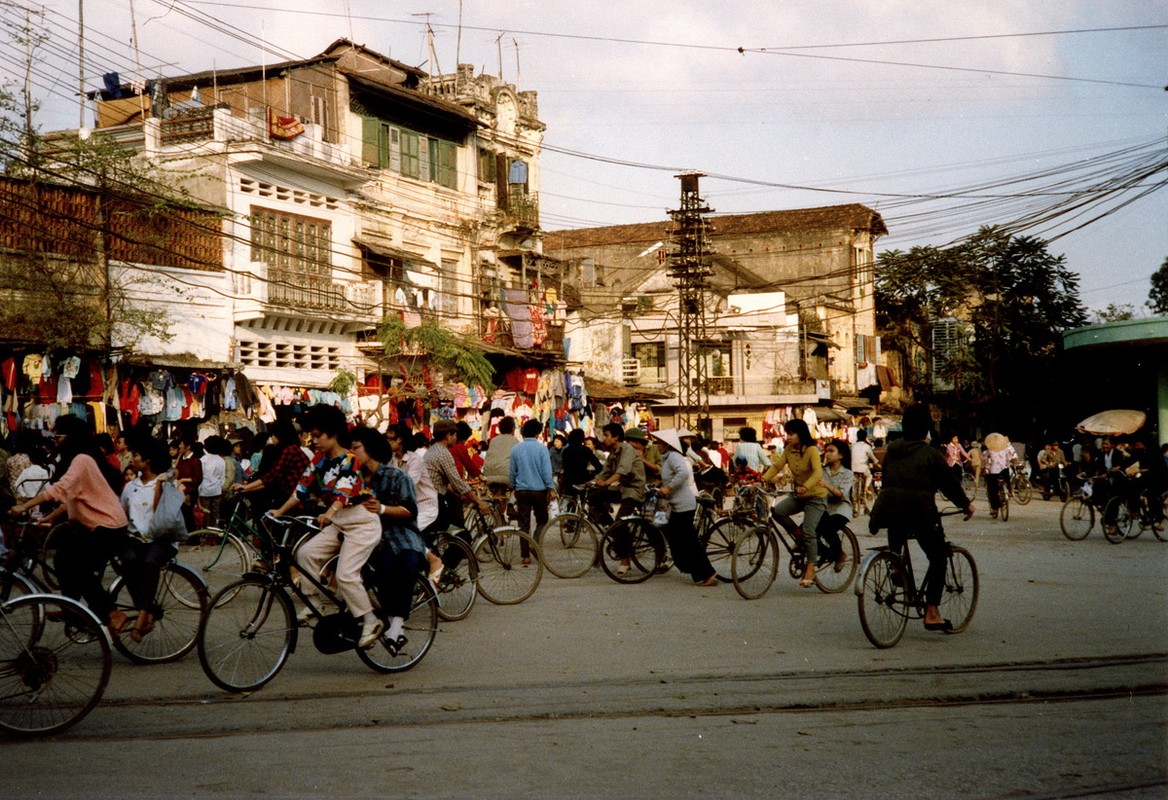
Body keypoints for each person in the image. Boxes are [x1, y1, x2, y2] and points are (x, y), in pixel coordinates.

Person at [269, 405, 385, 650]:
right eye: (312, 436)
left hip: (362, 523)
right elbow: (301, 489)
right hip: (339, 523)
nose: (314, 441)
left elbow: (343, 493)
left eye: (319, 436)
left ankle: (370, 620)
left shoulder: (350, 460)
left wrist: (329, 512)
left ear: (333, 435)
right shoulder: (319, 460)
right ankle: (315, 604)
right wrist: (279, 512)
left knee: (345, 575)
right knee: (305, 554)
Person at [8, 414, 131, 638]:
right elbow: (70, 500)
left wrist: (25, 506)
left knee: (79, 568)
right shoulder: (79, 460)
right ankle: (71, 610)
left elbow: (60, 490)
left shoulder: (82, 459)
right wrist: (50, 518)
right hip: (93, 526)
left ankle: (112, 613)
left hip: (107, 527)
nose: (55, 440)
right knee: (63, 559)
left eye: (59, 436)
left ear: (71, 437)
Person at [868, 404, 973, 633]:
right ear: (926, 428)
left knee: (896, 526)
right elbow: (949, 484)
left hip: (889, 509)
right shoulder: (930, 454)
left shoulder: (892, 451)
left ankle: (896, 566)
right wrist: (966, 504)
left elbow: (887, 481)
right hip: (920, 511)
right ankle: (932, 612)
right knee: (938, 556)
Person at [349, 426, 425, 655]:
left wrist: (382, 508)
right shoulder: (352, 480)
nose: (351, 453)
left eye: (356, 448)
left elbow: (410, 511)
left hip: (400, 535)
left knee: (404, 562)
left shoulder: (397, 476)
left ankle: (397, 624)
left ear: (370, 449)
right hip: (367, 537)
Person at [119, 438, 184, 643]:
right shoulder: (130, 487)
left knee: (150, 562)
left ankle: (141, 617)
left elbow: (174, 476)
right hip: (136, 538)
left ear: (147, 460)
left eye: (136, 455)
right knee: (127, 561)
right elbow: (123, 513)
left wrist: (163, 484)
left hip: (161, 539)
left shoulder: (164, 482)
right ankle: (146, 611)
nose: (132, 459)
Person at [762, 418, 828, 587]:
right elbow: (777, 466)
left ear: (801, 434)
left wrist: (805, 487)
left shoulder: (812, 450)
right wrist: (762, 480)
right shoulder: (788, 450)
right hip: (798, 495)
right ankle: (800, 539)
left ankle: (811, 568)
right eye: (787, 434)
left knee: (809, 531)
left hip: (815, 497)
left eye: (791, 434)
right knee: (777, 511)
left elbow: (817, 473)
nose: (788, 437)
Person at [650, 429, 717, 586]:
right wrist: (660, 484)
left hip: (684, 505)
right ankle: (691, 567)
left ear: (667, 444)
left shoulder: (673, 456)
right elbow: (670, 476)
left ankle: (707, 574)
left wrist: (668, 488)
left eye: (659, 443)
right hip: (676, 505)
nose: (657, 446)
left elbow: (682, 474)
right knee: (675, 537)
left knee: (689, 541)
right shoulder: (667, 458)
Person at [234, 421, 311, 522]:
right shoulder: (291, 449)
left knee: (266, 517)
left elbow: (273, 476)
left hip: (293, 497)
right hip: (290, 495)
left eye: (273, 435)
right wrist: (247, 488)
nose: (272, 438)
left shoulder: (290, 450)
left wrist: (246, 487)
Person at [509, 418, 557, 566]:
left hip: (522, 490)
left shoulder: (516, 449)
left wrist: (514, 487)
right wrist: (551, 487)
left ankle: (525, 556)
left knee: (523, 523)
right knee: (542, 520)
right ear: (538, 433)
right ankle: (534, 543)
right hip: (539, 490)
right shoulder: (542, 449)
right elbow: (546, 472)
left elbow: (512, 472)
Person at [591, 423, 646, 528]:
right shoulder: (613, 452)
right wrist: (590, 482)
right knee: (594, 498)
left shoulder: (627, 449)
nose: (604, 439)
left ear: (616, 437)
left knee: (621, 523)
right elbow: (605, 471)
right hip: (622, 489)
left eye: (606, 435)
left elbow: (622, 471)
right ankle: (609, 526)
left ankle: (622, 539)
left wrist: (606, 482)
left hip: (634, 491)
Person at [816, 439, 854, 572]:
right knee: (809, 531)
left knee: (828, 529)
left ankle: (839, 554)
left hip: (841, 508)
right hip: (824, 507)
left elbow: (841, 494)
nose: (828, 454)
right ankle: (825, 553)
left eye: (831, 451)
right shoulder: (822, 471)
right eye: (827, 451)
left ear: (841, 455)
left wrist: (826, 485)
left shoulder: (848, 474)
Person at [983, 436, 1019, 519]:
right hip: (1004, 470)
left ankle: (995, 509)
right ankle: (1009, 491)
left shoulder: (989, 450)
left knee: (992, 490)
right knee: (1007, 480)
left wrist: (984, 467)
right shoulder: (1006, 448)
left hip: (993, 472)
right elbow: (1013, 455)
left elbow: (984, 459)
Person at [481, 416, 519, 494]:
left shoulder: (493, 440)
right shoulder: (515, 441)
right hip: (507, 476)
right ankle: (511, 504)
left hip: (488, 476)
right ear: (513, 429)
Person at [560, 428, 602, 494]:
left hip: (568, 482)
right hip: (583, 481)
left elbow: (565, 467)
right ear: (582, 439)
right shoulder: (586, 450)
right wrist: (592, 474)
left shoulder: (566, 451)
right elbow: (598, 466)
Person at [199, 436, 226, 528]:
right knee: (216, 513)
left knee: (206, 513)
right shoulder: (221, 460)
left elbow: (200, 476)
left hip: (204, 490)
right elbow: (222, 478)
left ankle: (206, 533)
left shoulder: (203, 460)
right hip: (217, 490)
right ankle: (216, 532)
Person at [850, 429, 879, 510]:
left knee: (853, 484)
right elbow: (873, 458)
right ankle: (866, 488)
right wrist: (877, 463)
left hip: (853, 468)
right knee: (869, 476)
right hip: (863, 468)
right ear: (865, 437)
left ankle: (854, 503)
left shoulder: (852, 446)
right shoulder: (867, 446)